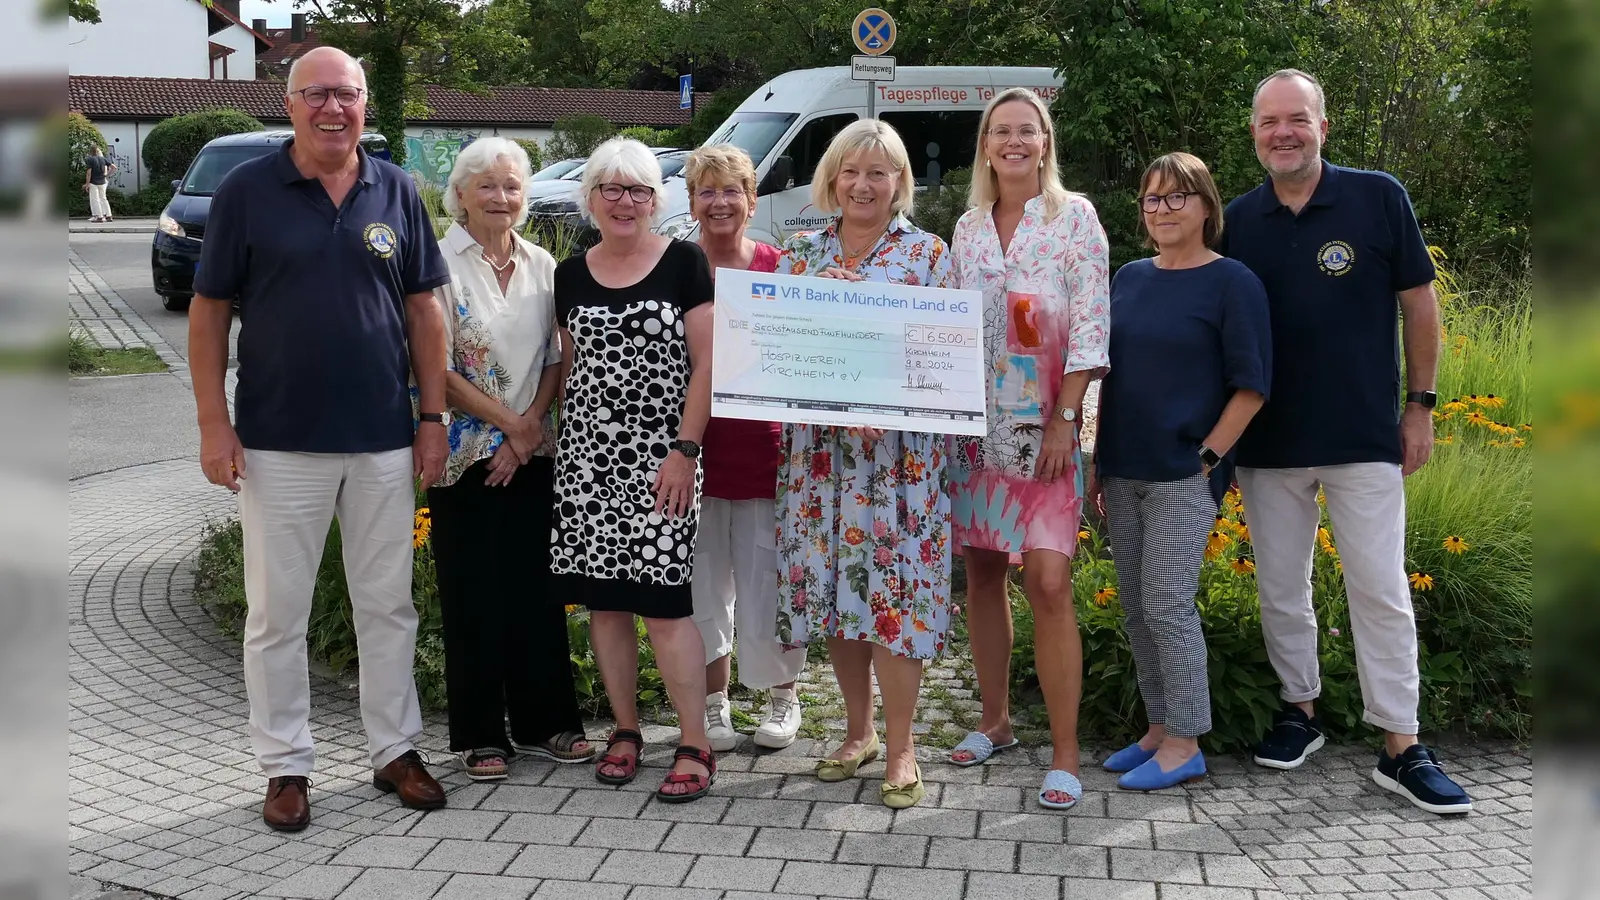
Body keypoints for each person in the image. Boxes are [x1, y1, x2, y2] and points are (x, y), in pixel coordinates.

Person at [189, 46, 450, 832]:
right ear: (290, 103)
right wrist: (212, 421)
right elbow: (208, 315)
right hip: (277, 440)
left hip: (380, 439)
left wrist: (432, 419)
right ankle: (286, 766)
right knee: (277, 613)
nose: (333, 108)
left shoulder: (395, 188)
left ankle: (395, 750)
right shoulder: (246, 192)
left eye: (347, 94)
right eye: (317, 95)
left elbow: (425, 315)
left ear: (365, 104)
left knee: (388, 605)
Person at [1219, 68, 1472, 814]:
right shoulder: (1238, 219)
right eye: (1269, 122)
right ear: (1255, 133)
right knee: (1281, 591)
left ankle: (1401, 744)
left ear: (1322, 126)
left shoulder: (1377, 197)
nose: (1283, 133)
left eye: (1296, 119)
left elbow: (1419, 306)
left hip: (1364, 434)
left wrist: (1420, 406)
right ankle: (1300, 713)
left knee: (1380, 589)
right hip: (1269, 443)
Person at [774, 119, 955, 810]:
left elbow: (944, 359)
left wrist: (895, 403)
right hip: (822, 460)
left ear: (899, 183)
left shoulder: (927, 256)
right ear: (831, 179)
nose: (862, 184)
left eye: (878, 173)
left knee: (894, 603)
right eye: (851, 171)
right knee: (838, 594)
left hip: (897, 464)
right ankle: (858, 732)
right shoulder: (799, 257)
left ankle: (903, 746)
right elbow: (782, 358)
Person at [945, 88, 1110, 811]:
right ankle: (996, 721)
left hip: (1049, 428)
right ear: (986, 146)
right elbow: (949, 329)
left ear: (1045, 142)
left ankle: (1066, 752)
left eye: (1027, 131)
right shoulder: (969, 228)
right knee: (982, 573)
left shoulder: (1073, 219)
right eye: (1001, 131)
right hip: (978, 434)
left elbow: (1092, 326)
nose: (1014, 142)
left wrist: (1065, 419)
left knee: (1047, 581)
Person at [1089, 151, 1272, 791]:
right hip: (1122, 468)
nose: (1162, 210)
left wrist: (1207, 461)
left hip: (1183, 476)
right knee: (1138, 610)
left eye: (1176, 198)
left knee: (1169, 602)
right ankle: (1158, 728)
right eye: (1151, 199)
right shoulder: (1129, 278)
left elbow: (1250, 388)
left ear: (1205, 207)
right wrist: (1094, 458)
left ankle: (1188, 740)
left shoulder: (1233, 283)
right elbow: (1105, 375)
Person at [550, 137, 718, 803]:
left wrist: (685, 450)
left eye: (640, 190)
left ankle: (694, 741)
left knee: (666, 605)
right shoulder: (569, 274)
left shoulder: (684, 261)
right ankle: (625, 730)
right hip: (585, 464)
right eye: (612, 189)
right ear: (590, 198)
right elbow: (570, 366)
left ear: (657, 199)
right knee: (606, 603)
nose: (626, 202)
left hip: (663, 461)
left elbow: (708, 364)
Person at [426, 137, 593, 782]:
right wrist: (505, 430)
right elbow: (433, 366)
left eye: (512, 186)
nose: (501, 198)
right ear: (461, 194)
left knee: (537, 589)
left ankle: (548, 722)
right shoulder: (436, 264)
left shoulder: (543, 263)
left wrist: (527, 434)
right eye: (487, 186)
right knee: (472, 593)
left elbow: (558, 355)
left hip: (532, 450)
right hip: (466, 453)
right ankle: (480, 735)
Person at [683, 145, 807, 751]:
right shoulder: (677, 269)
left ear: (752, 201)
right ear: (691, 202)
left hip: (766, 450)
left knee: (771, 585)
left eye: (731, 190)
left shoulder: (780, 267)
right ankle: (714, 705)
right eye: (707, 191)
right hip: (695, 456)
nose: (720, 202)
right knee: (703, 589)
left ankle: (785, 699)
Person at [83, 144, 116, 223]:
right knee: (104, 198)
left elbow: (89, 173)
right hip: (102, 181)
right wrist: (107, 175)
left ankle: (99, 217)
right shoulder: (103, 159)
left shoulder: (90, 160)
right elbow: (114, 167)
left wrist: (87, 184)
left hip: (93, 182)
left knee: (96, 199)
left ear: (91, 152)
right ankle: (109, 216)